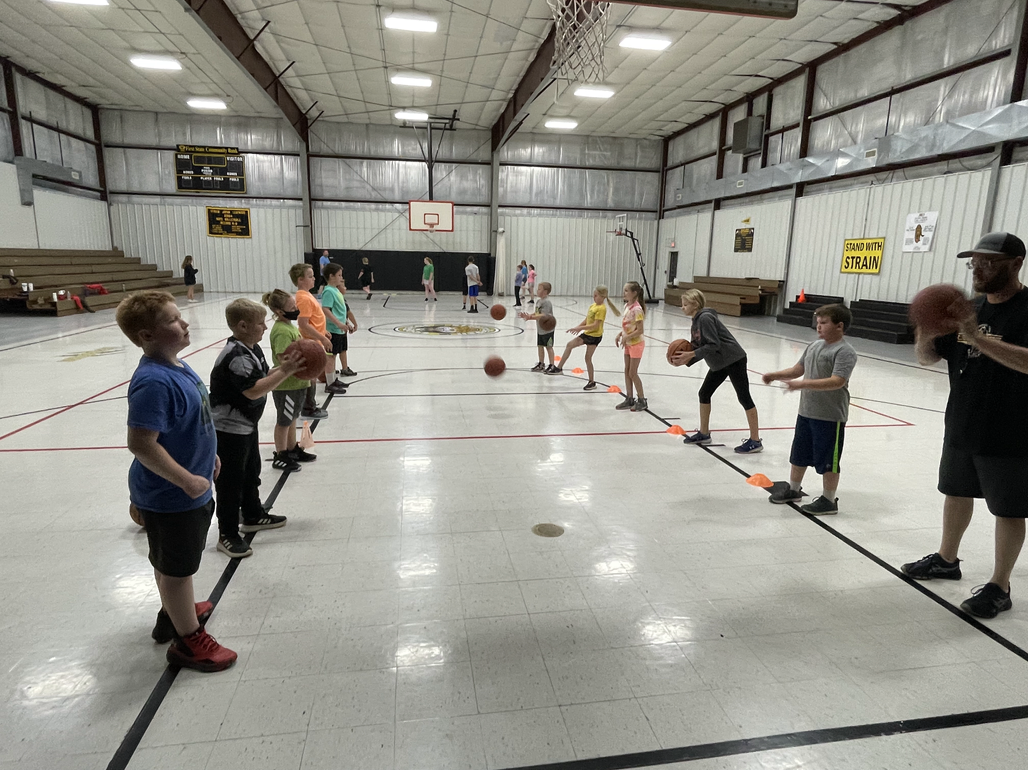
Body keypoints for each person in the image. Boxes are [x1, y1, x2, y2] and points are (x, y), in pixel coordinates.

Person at [901, 232, 1027, 619]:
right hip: (962, 421)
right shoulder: (967, 308)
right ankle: (946, 559)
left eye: (988, 262)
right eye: (974, 261)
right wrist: (927, 327)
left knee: (1008, 510)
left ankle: (1000, 585)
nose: (978, 269)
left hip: (1010, 428)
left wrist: (973, 335)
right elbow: (926, 358)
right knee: (956, 493)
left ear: (1015, 263)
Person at [116, 290, 236, 672]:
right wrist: (186, 480)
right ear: (146, 335)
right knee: (178, 570)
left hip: (185, 486)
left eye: (179, 316)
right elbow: (141, 444)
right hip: (171, 495)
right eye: (172, 320)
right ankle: (188, 641)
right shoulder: (153, 381)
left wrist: (208, 454)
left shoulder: (177, 366)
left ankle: (174, 612)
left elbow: (188, 425)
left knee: (170, 563)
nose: (184, 323)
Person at [209, 299, 300, 558]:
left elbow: (262, 375)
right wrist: (286, 372)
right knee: (230, 482)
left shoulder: (252, 348)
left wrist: (284, 366)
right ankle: (226, 534)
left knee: (251, 472)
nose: (265, 327)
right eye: (260, 323)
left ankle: (252, 514)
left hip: (246, 425)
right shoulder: (236, 356)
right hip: (228, 429)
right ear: (242, 325)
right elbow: (252, 390)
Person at [761, 304, 857, 515]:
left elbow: (837, 381)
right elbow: (798, 369)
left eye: (824, 323)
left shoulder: (845, 351)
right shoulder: (814, 346)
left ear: (839, 326)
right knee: (799, 454)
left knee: (829, 461)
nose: (818, 327)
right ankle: (794, 489)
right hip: (806, 412)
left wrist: (802, 384)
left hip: (830, 417)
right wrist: (775, 375)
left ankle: (829, 500)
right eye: (818, 322)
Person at [673, 289, 763, 454]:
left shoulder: (705, 318)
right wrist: (686, 359)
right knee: (704, 393)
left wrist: (691, 354)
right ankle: (704, 433)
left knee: (744, 397)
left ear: (695, 304)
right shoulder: (695, 321)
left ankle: (755, 440)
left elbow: (714, 344)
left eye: (685, 304)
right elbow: (700, 347)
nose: (682, 307)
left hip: (734, 359)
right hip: (720, 362)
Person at [262, 289, 317, 472]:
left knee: (293, 418)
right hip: (286, 385)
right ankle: (281, 454)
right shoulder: (281, 331)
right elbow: (283, 358)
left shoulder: (291, 327)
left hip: (298, 383)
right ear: (279, 311)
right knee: (284, 420)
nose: (296, 309)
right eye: (292, 307)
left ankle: (292, 449)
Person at [550, 285, 620, 390]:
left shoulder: (602, 309)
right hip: (587, 333)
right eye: (593, 295)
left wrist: (580, 328)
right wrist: (577, 327)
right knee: (569, 345)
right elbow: (587, 320)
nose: (594, 297)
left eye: (596, 296)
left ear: (602, 296)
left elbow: (595, 325)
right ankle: (559, 368)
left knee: (587, 358)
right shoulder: (593, 306)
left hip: (594, 336)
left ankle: (592, 382)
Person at [289, 263, 333, 418]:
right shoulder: (303, 298)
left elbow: (314, 320)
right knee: (311, 376)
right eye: (310, 276)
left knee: (313, 376)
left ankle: (310, 404)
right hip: (311, 343)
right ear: (300, 280)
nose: (314, 279)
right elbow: (303, 324)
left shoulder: (307, 295)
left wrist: (323, 331)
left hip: (316, 340)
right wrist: (321, 337)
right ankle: (308, 407)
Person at [614, 281, 648, 412]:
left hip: (636, 344)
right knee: (627, 370)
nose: (624, 293)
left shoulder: (637, 309)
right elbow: (628, 325)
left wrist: (627, 337)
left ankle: (642, 400)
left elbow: (640, 330)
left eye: (626, 290)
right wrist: (620, 334)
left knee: (633, 372)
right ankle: (629, 398)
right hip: (628, 342)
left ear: (634, 293)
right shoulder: (627, 306)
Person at [322, 263, 358, 379]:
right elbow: (326, 309)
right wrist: (338, 323)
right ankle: (330, 382)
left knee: (340, 351)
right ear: (331, 276)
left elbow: (341, 311)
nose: (341, 278)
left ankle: (336, 377)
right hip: (333, 329)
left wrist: (346, 323)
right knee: (331, 356)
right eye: (339, 275)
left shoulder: (336, 291)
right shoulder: (328, 291)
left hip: (340, 329)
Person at [519, 282, 556, 372]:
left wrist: (531, 317)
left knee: (548, 347)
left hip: (547, 329)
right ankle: (541, 363)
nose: (537, 290)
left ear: (545, 292)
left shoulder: (547, 302)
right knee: (540, 346)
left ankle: (552, 365)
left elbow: (543, 315)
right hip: (540, 329)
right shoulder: (539, 301)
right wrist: (528, 316)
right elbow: (537, 313)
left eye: (539, 289)